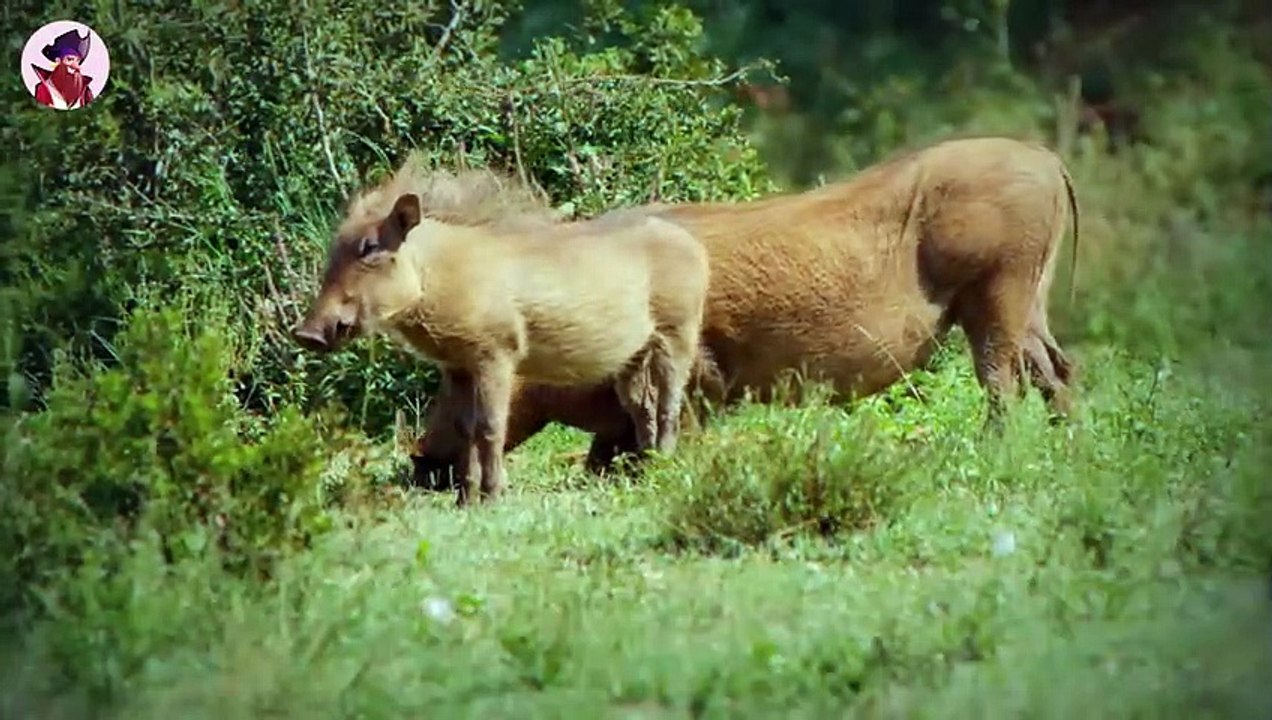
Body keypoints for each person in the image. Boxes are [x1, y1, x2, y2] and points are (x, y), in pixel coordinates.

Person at [31, 28, 96, 110]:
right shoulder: (43, 89)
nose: (76, 66)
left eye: (78, 61)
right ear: (58, 61)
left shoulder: (85, 91)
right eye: (69, 59)